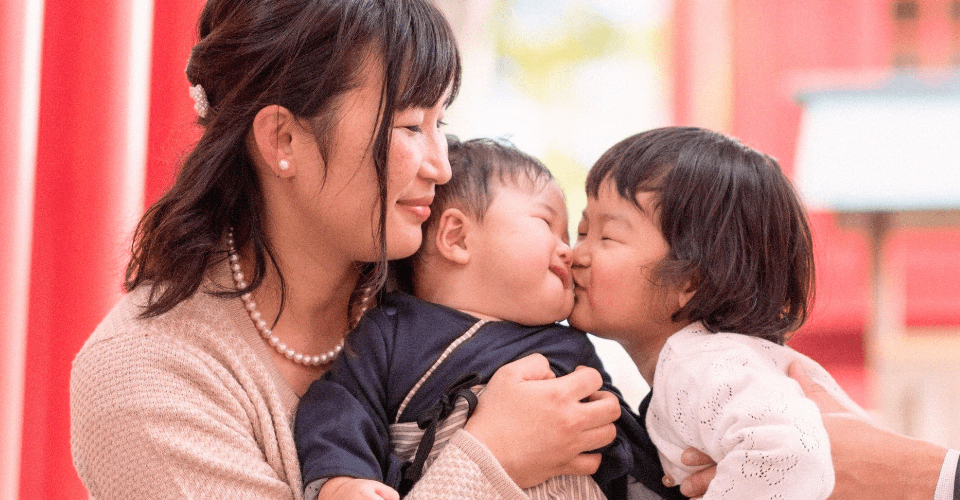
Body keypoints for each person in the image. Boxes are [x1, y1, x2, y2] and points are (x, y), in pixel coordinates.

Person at [68, 1, 623, 499]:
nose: (442, 165)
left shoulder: (442, 280)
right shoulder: (145, 379)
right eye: (409, 125)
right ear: (284, 139)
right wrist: (491, 458)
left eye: (440, 122)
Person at [568, 126, 960, 500]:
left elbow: (788, 453)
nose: (576, 253)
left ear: (690, 280)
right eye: (582, 231)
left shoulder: (700, 365)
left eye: (607, 237)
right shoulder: (721, 360)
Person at [294, 137, 683, 500]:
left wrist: (684, 470)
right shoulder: (390, 332)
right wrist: (342, 479)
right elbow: (339, 406)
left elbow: (624, 438)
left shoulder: (567, 347)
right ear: (458, 237)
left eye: (569, 236)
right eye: (547, 224)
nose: (569, 251)